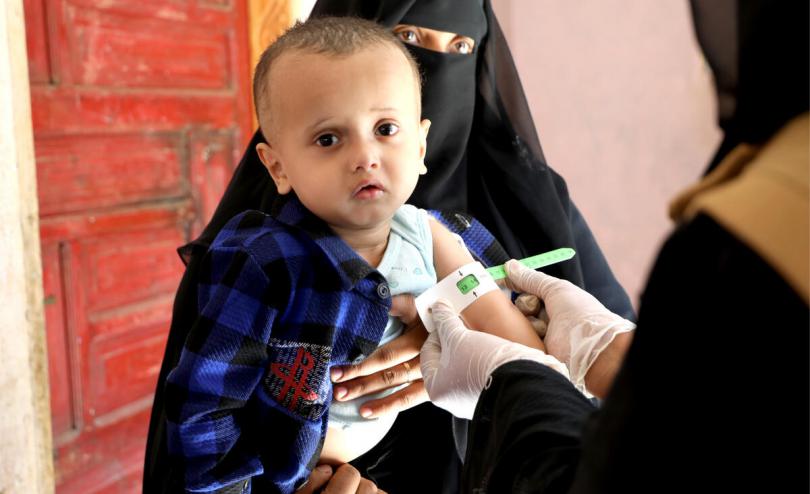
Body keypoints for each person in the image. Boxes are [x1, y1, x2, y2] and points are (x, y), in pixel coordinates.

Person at [144, 1, 634, 492]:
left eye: (462, 47)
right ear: (278, 166)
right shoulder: (258, 256)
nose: (366, 158)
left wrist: (575, 356)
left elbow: (607, 403)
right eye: (411, 38)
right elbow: (204, 409)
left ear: (418, 143)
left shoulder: (515, 207)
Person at [419, 1, 809, 492]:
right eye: (411, 41)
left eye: (460, 47)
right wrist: (609, 355)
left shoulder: (752, 235)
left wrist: (516, 377)